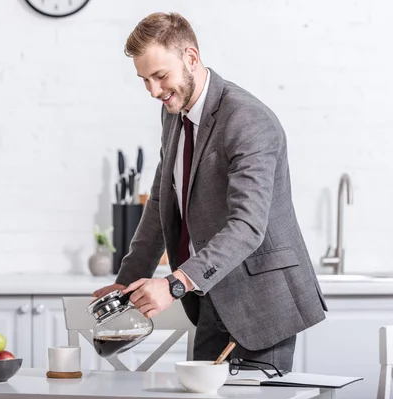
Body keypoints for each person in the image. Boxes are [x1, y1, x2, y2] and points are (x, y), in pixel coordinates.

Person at [93, 12, 327, 372]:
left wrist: (172, 285)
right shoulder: (174, 114)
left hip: (260, 304)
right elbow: (161, 204)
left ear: (191, 58)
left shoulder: (247, 119)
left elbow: (248, 226)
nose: (154, 91)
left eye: (160, 76)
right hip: (209, 296)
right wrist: (125, 282)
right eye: (144, 80)